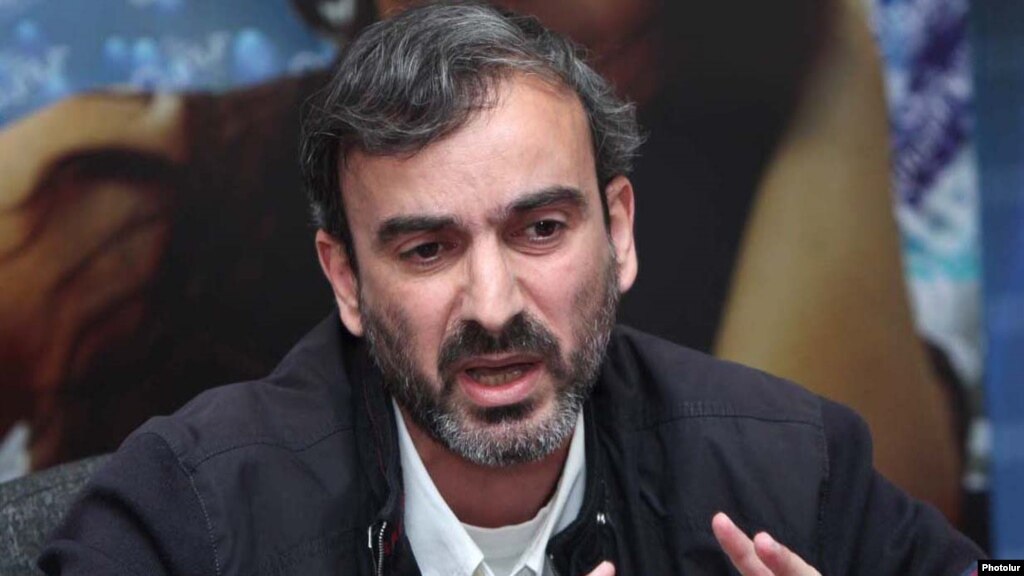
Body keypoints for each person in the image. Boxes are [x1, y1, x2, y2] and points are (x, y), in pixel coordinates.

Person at [39, 3, 981, 575]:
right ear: (346, 280)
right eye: (427, 250)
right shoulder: (196, 503)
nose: (494, 307)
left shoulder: (787, 460)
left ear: (619, 232)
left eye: (540, 231)